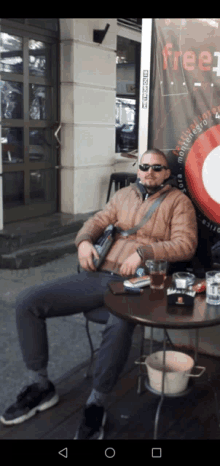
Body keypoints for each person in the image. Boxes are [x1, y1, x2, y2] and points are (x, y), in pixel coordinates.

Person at [0, 148, 198, 439]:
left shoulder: (178, 202)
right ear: (138, 168)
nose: (149, 172)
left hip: (138, 285)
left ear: (167, 173)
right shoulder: (123, 195)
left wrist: (144, 253)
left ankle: (96, 402)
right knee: (28, 302)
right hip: (99, 276)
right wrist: (82, 242)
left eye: (158, 168)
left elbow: (186, 244)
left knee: (118, 323)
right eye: (144, 166)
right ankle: (40, 384)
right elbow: (96, 221)